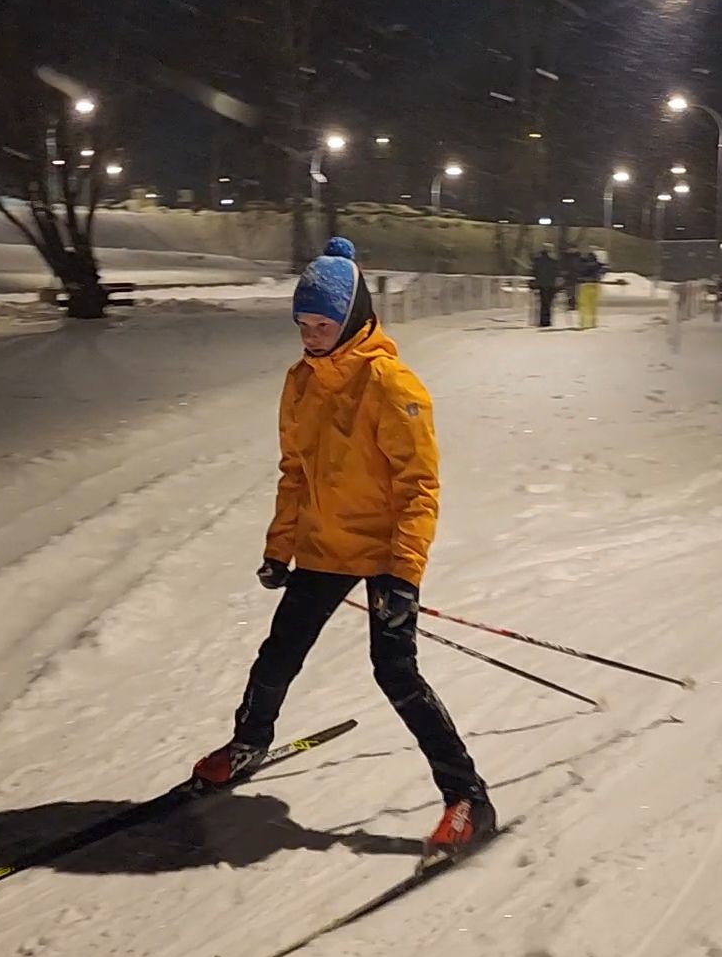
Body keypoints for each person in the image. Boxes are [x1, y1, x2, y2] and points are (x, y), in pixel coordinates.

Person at [193, 235, 496, 855]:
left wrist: (405, 579)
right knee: (278, 654)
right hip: (326, 546)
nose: (310, 335)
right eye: (302, 323)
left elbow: (420, 487)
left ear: (353, 318)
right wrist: (281, 546)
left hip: (386, 550)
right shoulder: (300, 383)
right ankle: (250, 740)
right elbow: (295, 472)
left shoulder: (392, 385)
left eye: (322, 323)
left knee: (395, 671)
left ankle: (468, 797)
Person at [530, 245, 560, 328]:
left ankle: (542, 321)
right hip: (551, 284)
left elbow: (533, 272)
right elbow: (556, 273)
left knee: (543, 303)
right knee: (549, 303)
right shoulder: (553, 261)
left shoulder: (537, 261)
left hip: (541, 284)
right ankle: (547, 320)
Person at [576, 248, 604, 329]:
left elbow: (578, 273)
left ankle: (584, 322)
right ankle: (592, 322)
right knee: (593, 306)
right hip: (594, 285)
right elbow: (603, 270)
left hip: (584, 285)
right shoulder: (597, 265)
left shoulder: (583, 265)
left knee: (584, 305)